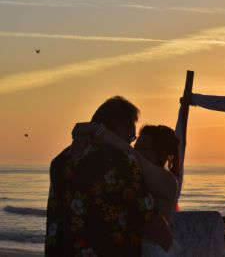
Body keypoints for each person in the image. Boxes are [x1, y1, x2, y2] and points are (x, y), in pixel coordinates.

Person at [45, 96, 156, 257]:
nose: (129, 142)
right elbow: (148, 216)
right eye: (130, 135)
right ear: (119, 128)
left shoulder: (60, 161)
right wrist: (172, 245)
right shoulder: (120, 160)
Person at [70, 123, 182, 256]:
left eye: (144, 148)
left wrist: (97, 130)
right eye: (137, 147)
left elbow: (132, 155)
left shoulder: (167, 180)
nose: (138, 151)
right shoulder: (133, 177)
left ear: (162, 154)